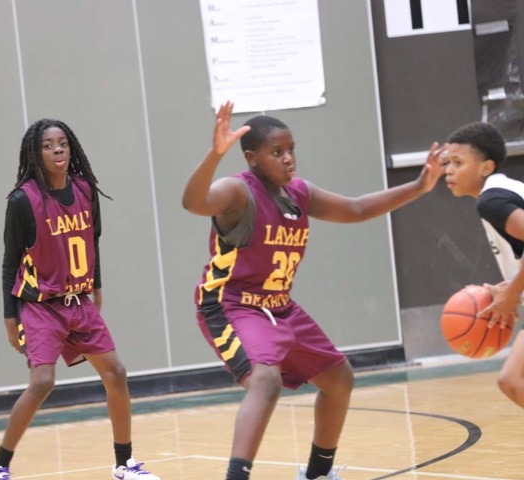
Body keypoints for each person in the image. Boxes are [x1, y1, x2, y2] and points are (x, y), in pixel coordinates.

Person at [181, 101, 444, 480]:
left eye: (291, 149)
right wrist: (215, 154)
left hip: (279, 307)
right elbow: (193, 203)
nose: (288, 158)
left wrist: (419, 186)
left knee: (339, 379)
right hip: (232, 306)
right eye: (277, 152)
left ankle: (317, 473)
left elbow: (356, 209)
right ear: (252, 158)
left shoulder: (299, 193)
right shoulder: (237, 191)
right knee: (265, 380)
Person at [0, 119, 160, 480]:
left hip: (79, 301)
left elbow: (93, 240)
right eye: (48, 145)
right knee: (42, 382)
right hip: (40, 305)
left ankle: (124, 464)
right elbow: (10, 262)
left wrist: (96, 285)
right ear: (36, 153)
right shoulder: (23, 201)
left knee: (116, 373)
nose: (57, 149)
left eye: (62, 143)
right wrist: (10, 317)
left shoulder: (85, 190)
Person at [442, 121, 524, 408]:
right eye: (447, 163)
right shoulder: (503, 191)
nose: (448, 170)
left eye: (458, 162)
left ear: (486, 167)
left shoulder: (492, 201)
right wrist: (511, 287)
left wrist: (511, 294)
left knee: (512, 380)